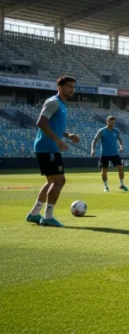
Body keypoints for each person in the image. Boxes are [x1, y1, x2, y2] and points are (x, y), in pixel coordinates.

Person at [26, 76, 80, 227]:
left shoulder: (61, 104)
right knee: (60, 181)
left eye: (73, 87)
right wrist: (57, 140)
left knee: (51, 181)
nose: (72, 89)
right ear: (60, 87)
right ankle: (48, 217)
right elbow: (41, 122)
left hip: (49, 146)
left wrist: (67, 135)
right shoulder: (54, 102)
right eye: (69, 86)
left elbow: (53, 126)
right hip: (48, 147)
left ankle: (34, 213)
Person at [90, 115, 129, 192]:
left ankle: (122, 185)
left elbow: (120, 140)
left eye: (113, 122)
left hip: (115, 154)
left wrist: (121, 147)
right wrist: (92, 150)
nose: (112, 124)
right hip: (104, 154)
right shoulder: (102, 131)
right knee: (104, 171)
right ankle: (106, 187)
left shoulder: (116, 131)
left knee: (121, 168)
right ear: (107, 122)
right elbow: (94, 140)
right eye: (110, 122)